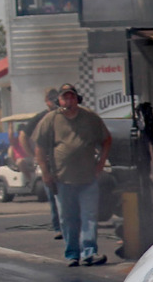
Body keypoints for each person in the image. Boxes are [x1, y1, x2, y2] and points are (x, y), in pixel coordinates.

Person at [35, 84, 112, 267]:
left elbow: (106, 139)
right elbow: (40, 147)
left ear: (77, 99)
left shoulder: (90, 118)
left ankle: (89, 252)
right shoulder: (50, 120)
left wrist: (101, 162)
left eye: (72, 97)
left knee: (89, 216)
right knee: (68, 218)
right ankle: (72, 254)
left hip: (88, 178)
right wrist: (45, 172)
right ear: (59, 101)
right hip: (62, 179)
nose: (69, 101)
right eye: (65, 98)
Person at [18, 88, 61, 231]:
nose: (53, 101)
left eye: (55, 97)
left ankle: (71, 226)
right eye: (50, 98)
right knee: (53, 195)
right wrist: (33, 155)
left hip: (66, 160)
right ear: (46, 101)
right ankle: (58, 227)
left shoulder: (66, 114)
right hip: (48, 161)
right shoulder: (41, 117)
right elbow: (23, 136)